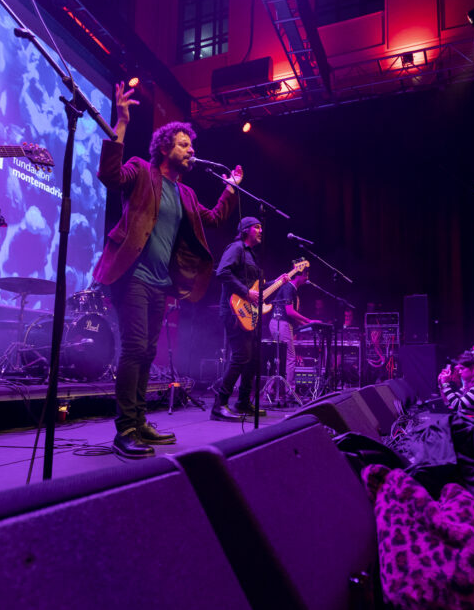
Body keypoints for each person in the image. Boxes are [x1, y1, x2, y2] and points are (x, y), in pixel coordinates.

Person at [94, 83, 241, 458]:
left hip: (161, 283)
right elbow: (109, 175)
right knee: (134, 348)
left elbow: (213, 219)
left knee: (147, 352)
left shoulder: (186, 193)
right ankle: (125, 429)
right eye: (183, 145)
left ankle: (139, 421)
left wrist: (230, 189)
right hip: (132, 275)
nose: (191, 150)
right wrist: (122, 122)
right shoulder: (141, 171)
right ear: (164, 148)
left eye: (191, 146)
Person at [213, 217, 279, 421]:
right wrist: (245, 292)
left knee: (253, 358)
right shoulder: (236, 248)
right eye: (257, 227)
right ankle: (219, 404)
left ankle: (242, 402)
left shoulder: (251, 255)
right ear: (245, 230)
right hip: (234, 311)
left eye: (261, 227)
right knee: (241, 356)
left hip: (249, 313)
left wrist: (279, 282)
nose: (261, 230)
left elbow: (256, 289)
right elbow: (222, 272)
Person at [266, 266, 320, 400]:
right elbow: (289, 312)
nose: (307, 277)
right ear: (299, 275)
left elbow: (292, 316)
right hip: (281, 323)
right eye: (306, 274)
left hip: (280, 323)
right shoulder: (289, 288)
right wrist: (308, 320)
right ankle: (290, 391)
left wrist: (308, 324)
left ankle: (270, 389)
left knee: (281, 358)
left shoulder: (292, 289)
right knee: (290, 358)